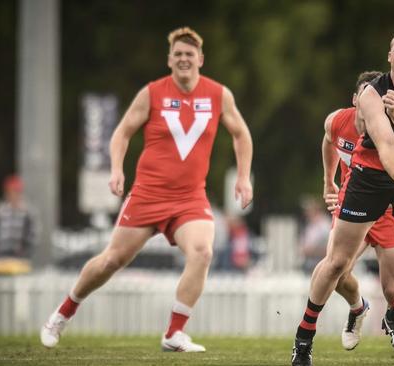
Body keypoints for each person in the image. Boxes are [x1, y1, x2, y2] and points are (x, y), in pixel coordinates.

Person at [41, 27, 253, 352]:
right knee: (112, 261)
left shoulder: (218, 94)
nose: (184, 59)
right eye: (178, 54)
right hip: (148, 195)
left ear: (201, 59)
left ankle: (174, 333)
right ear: (169, 60)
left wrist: (243, 177)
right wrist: (115, 170)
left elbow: (241, 134)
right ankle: (62, 314)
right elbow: (122, 133)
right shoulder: (152, 92)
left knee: (202, 251)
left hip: (189, 198)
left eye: (189, 54)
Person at [292, 28, 394, 366]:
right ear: (389, 56)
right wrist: (330, 181)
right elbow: (383, 143)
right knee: (336, 263)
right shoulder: (370, 92)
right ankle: (304, 339)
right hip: (370, 176)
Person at [320, 70, 394, 364]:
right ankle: (357, 308)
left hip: (388, 211)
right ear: (356, 100)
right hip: (353, 206)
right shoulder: (336, 121)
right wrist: (328, 181)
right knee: (335, 272)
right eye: (366, 97)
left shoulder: (391, 129)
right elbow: (328, 141)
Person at [0, 175, 37, 258]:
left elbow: (32, 237)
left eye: (15, 192)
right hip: (0, 256)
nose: (12, 195)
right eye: (9, 192)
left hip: (19, 257)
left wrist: (25, 253)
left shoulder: (28, 213)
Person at [299, 197, 332, 274]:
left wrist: (311, 250)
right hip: (310, 264)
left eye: (309, 210)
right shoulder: (310, 225)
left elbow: (328, 248)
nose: (306, 212)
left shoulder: (325, 225)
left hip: (320, 265)